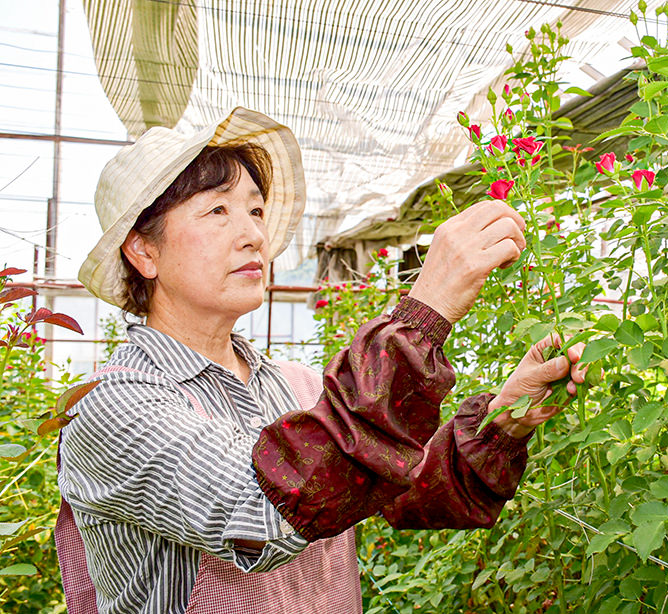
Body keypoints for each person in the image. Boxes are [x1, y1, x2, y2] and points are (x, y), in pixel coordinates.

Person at [57, 107, 586, 614]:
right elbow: (267, 510)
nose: (254, 236)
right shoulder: (112, 407)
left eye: (256, 210)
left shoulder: (294, 384)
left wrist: (504, 418)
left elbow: (412, 488)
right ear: (143, 253)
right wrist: (424, 314)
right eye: (217, 210)